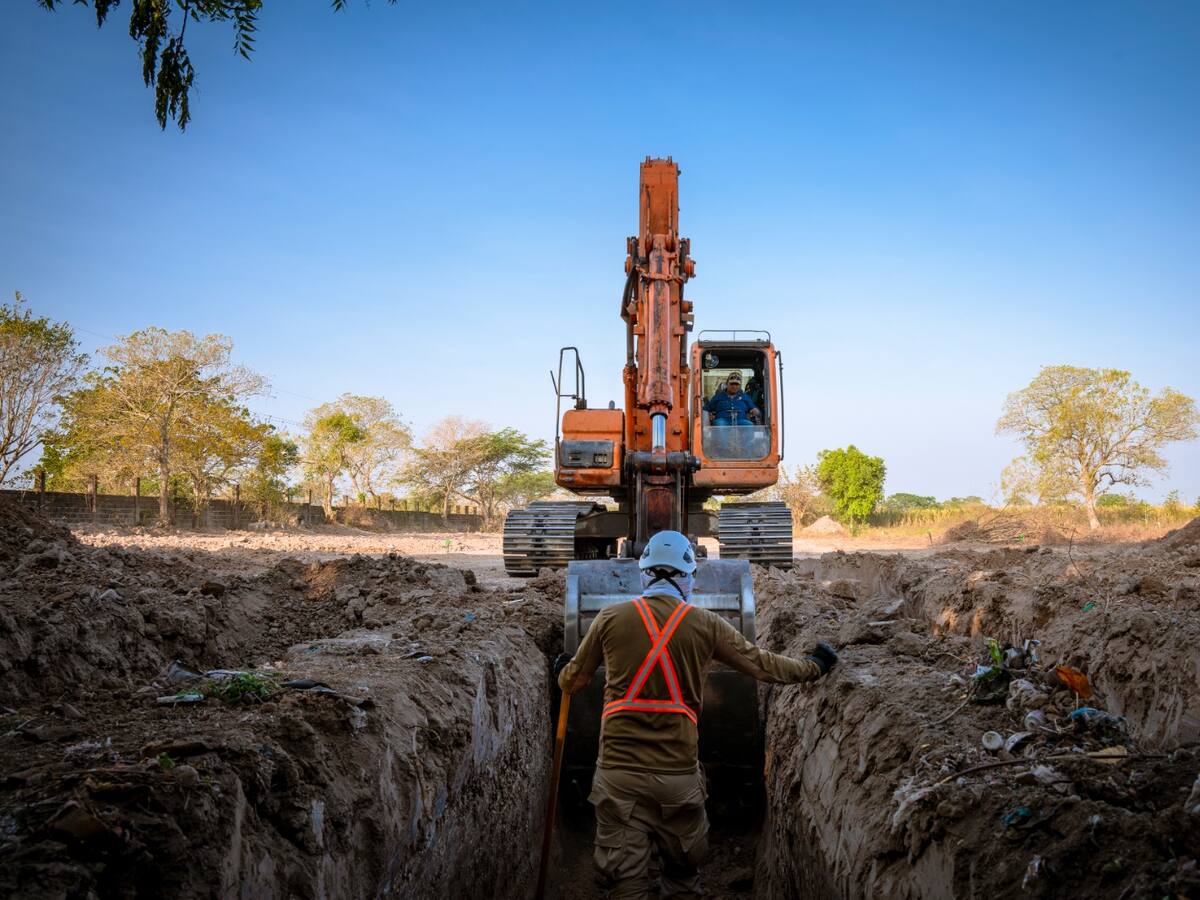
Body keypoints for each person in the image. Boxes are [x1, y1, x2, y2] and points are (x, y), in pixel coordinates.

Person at [555, 531, 838, 899]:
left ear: (644, 575)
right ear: (688, 577)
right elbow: (763, 666)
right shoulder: (706, 624)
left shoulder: (609, 617)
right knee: (682, 878)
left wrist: (562, 669)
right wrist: (814, 666)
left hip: (618, 776)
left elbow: (573, 682)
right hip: (678, 778)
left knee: (625, 883)